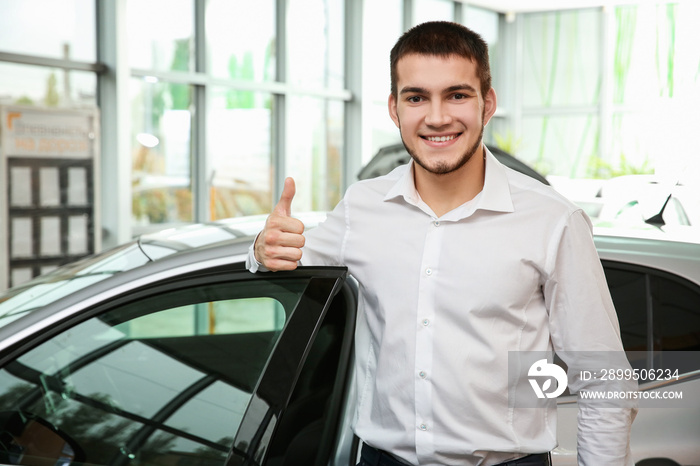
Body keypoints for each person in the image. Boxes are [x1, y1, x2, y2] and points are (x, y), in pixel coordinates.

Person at [248, 21, 636, 466]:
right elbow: (282, 264)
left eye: (457, 94)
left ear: (487, 104)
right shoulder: (362, 207)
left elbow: (605, 379)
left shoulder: (552, 219)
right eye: (416, 97)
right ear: (395, 109)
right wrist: (262, 248)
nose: (437, 117)